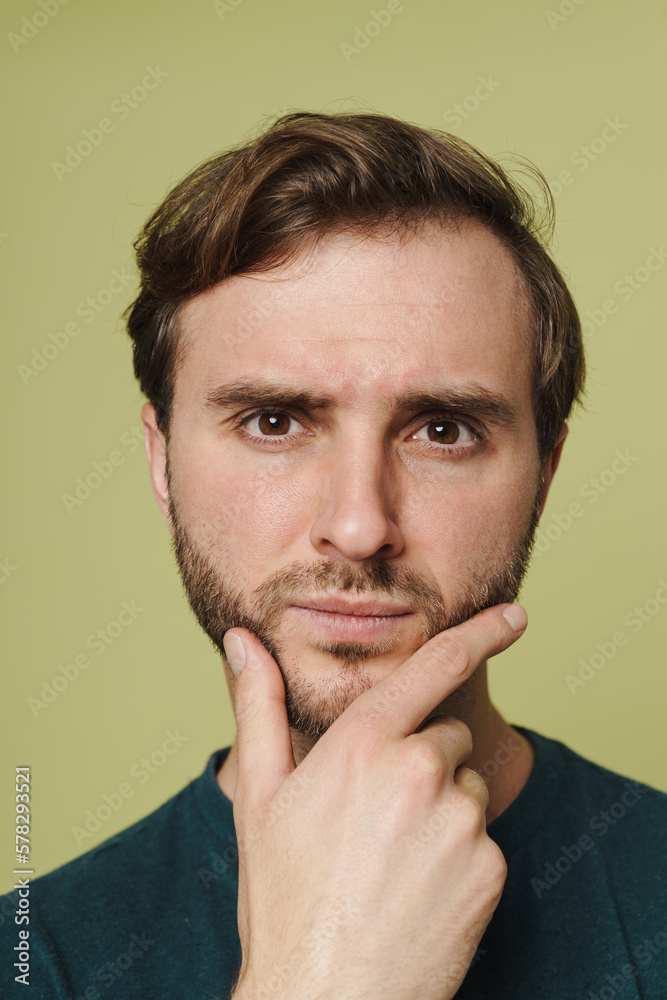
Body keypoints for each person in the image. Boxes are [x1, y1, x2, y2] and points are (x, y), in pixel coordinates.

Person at [2, 111, 666, 1000]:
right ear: (162, 460)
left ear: (543, 473)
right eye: (274, 422)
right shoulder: (32, 959)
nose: (359, 527)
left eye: (443, 430)